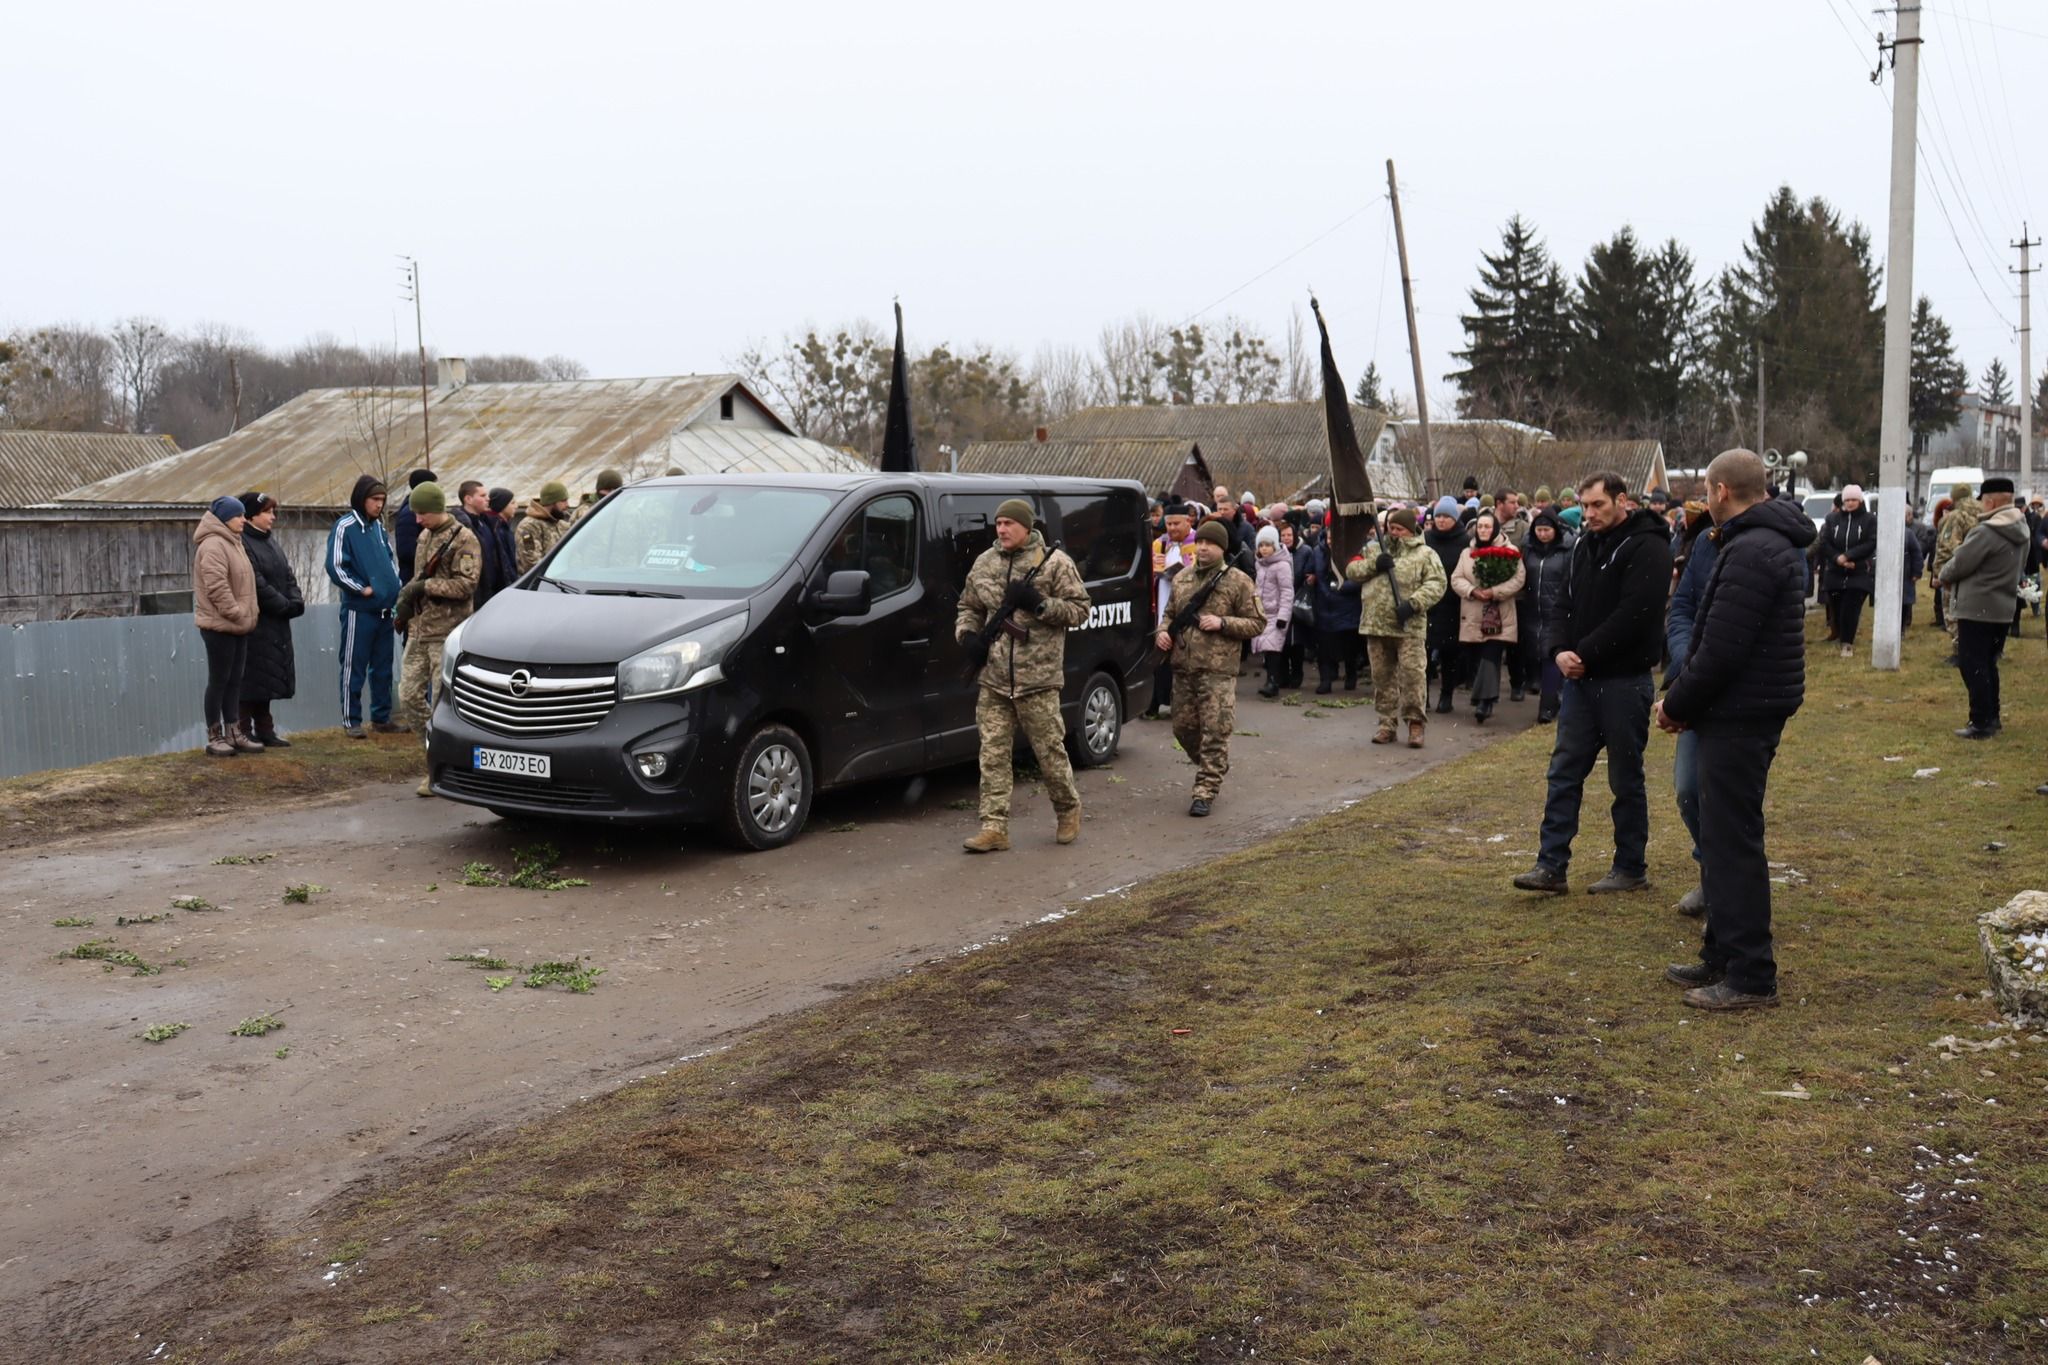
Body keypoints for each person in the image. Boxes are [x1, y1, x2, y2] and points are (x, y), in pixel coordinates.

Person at [1656, 449, 1813, 1010]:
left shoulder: (1753, 548)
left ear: (1722, 491)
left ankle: (1750, 975)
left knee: (1733, 842)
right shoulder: (1757, 541)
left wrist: (1676, 702)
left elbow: (1721, 649)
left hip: (1741, 712)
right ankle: (1720, 952)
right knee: (1722, 839)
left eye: (1706, 487)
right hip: (1741, 708)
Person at [1513, 471, 1673, 896]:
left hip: (1624, 681)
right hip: (1582, 684)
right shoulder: (1583, 544)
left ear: (1623, 502)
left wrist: (1584, 653)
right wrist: (1557, 650)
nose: (1589, 514)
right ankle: (1551, 865)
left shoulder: (1650, 546)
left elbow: (1635, 612)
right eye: (1584, 506)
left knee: (1625, 777)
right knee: (1563, 771)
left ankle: (1630, 866)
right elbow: (1562, 604)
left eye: (1597, 505)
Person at [955, 499, 1092, 850]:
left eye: (1008, 524)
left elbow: (1081, 610)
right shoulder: (984, 563)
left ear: (1026, 527)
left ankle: (1067, 809)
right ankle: (994, 827)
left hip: (1038, 680)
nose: (1001, 530)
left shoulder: (1054, 564)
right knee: (992, 755)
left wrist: (1040, 604)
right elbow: (968, 606)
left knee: (1049, 752)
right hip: (995, 679)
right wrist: (968, 636)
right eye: (998, 524)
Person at [1157, 519, 1263, 815]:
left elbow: (1257, 623)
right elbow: (1169, 614)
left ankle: (1205, 789)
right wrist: (1163, 632)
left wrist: (1223, 623)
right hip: (1183, 666)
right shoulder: (1182, 578)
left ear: (1222, 548)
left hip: (1217, 670)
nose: (1203, 548)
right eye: (1200, 542)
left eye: (1210, 544)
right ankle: (1213, 763)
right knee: (1183, 729)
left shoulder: (1239, 581)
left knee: (1215, 731)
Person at [394, 483, 481, 793]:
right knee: (408, 696)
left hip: (446, 633)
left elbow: (466, 586)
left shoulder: (464, 539)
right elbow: (420, 577)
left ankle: (439, 769)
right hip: (420, 631)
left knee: (443, 704)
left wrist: (427, 587)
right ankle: (432, 752)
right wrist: (408, 598)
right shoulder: (424, 536)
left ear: (437, 509)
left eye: (423, 513)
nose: (418, 520)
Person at [1662, 495, 1720, 920]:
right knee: (1687, 788)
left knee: (1727, 797)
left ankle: (1725, 884)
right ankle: (1709, 868)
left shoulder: (1767, 545)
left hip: (1741, 697)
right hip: (1694, 683)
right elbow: (1681, 608)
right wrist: (1685, 660)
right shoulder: (1704, 543)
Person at [1347, 507, 1448, 748]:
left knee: (1412, 676)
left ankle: (1415, 724)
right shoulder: (1373, 548)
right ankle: (1386, 724)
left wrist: (1414, 604)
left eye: (1399, 529)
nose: (1394, 533)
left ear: (1411, 530)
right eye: (1391, 528)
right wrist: (1374, 565)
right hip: (1376, 625)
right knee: (1382, 678)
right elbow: (1351, 570)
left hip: (1408, 627)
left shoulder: (1425, 554)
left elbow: (1437, 583)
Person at [1942, 477, 2028, 739]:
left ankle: (1981, 721)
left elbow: (1960, 563)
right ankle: (1992, 716)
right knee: (1988, 663)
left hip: (1976, 607)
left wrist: (1943, 574)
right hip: (2003, 607)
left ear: (1990, 500)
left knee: (1972, 664)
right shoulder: (2020, 528)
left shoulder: (1986, 532)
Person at [326, 474, 404, 739]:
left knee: (383, 668)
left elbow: (390, 561)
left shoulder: (378, 528)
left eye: (382, 500)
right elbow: (335, 566)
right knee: (353, 666)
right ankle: (352, 721)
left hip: (384, 610)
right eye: (374, 499)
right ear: (362, 499)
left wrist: (396, 587)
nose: (379, 505)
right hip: (360, 610)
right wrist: (362, 588)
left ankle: (382, 718)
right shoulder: (344, 526)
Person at [193, 495, 262, 757]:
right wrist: (235, 612)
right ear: (224, 519)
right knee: (219, 681)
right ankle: (215, 735)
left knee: (235, 680)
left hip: (238, 625)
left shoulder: (234, 542)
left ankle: (234, 732)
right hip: (220, 626)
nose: (243, 519)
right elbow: (216, 586)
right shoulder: (213, 545)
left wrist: (246, 614)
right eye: (238, 515)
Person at [236, 491, 305, 748]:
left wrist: (296, 601)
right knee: (250, 678)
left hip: (276, 622)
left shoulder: (271, 542)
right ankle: (242, 731)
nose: (272, 517)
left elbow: (288, 576)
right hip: (256, 623)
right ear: (251, 515)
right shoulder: (243, 543)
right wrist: (283, 605)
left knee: (267, 678)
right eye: (267, 512)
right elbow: (257, 583)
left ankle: (265, 730)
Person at [1449, 511, 1525, 723]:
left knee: (1491, 655)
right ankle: (1484, 695)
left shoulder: (1509, 551)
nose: (1483, 530)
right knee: (1477, 655)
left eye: (1487, 526)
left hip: (1499, 612)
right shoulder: (1467, 552)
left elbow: (1518, 579)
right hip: (1474, 610)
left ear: (1495, 528)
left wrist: (1495, 591)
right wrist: (1473, 590)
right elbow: (1456, 578)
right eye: (1480, 526)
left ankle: (1485, 701)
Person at [1518, 509, 1575, 723]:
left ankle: (1547, 705)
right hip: (1532, 610)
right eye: (1539, 530)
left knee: (1550, 656)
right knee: (1537, 656)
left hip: (1556, 611)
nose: (1542, 534)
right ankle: (1555, 695)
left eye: (1547, 530)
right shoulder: (1529, 550)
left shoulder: (1567, 550)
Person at [1146, 501, 1198, 718]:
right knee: (1160, 654)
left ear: (1188, 521)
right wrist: (1153, 568)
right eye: (1169, 524)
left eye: (1177, 524)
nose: (1172, 529)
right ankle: (1155, 701)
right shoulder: (1159, 544)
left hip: (1189, 607)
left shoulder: (1199, 542)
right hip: (1162, 602)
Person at [1422, 497, 1468, 714]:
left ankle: (1446, 695)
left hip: (1452, 603)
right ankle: (1423, 695)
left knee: (1450, 653)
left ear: (1455, 518)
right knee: (1423, 652)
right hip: (1428, 603)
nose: (1441, 520)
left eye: (1446, 516)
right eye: (1438, 516)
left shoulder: (1464, 541)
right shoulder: (1426, 539)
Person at [1818, 484, 1877, 654]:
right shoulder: (1832, 519)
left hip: (1858, 573)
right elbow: (1825, 542)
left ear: (1859, 501)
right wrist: (1838, 559)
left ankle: (1847, 642)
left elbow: (1870, 543)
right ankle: (1839, 635)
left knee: (1850, 609)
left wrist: (1851, 556)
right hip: (1835, 572)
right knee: (1836, 609)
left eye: (1854, 500)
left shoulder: (1869, 520)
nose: (1850, 503)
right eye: (1847, 500)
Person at [1311, 515, 1365, 693]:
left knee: (1349, 647)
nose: (1330, 542)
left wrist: (1340, 588)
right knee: (1324, 649)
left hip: (1347, 607)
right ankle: (1325, 680)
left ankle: (1351, 675)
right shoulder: (1318, 552)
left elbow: (1359, 578)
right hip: (1324, 606)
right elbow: (1313, 571)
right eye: (1328, 538)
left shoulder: (1353, 553)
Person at [1932, 481, 1982, 662]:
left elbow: (1947, 547)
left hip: (1957, 573)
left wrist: (1940, 572)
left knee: (1952, 614)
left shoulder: (1954, 517)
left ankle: (1959, 651)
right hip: (1980, 573)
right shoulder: (1984, 513)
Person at [1251, 525, 1295, 697]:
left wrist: (1283, 615)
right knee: (1267, 648)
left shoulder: (1282, 565)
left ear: (1275, 545)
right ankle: (1272, 680)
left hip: (1276, 613)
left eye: (1268, 545)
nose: (1264, 549)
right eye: (1261, 545)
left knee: (1272, 648)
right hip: (1262, 613)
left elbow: (1286, 592)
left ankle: (1273, 682)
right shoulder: (1260, 564)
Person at [516, 480, 573, 573]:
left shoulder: (561, 524)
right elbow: (531, 562)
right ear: (551, 502)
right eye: (563, 501)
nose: (567, 505)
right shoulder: (529, 525)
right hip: (540, 584)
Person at [391, 467, 437, 582]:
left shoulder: (423, 510)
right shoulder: (409, 514)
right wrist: (433, 558)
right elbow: (406, 551)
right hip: (414, 579)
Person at [481, 487, 521, 592]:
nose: (516, 506)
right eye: (512, 503)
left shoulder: (504, 526)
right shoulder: (494, 529)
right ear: (502, 506)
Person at [1899, 501, 1927, 629]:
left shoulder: (1915, 530)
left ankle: (1905, 622)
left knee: (1906, 598)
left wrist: (1917, 572)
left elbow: (1918, 550)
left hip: (1907, 569)